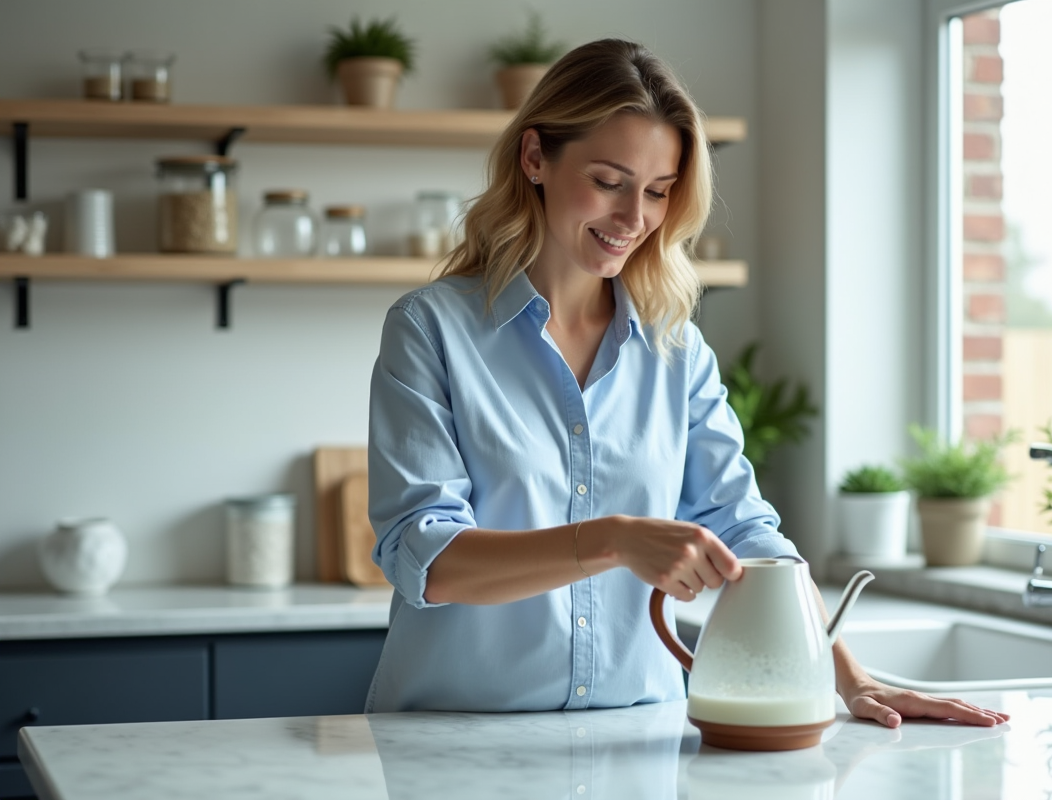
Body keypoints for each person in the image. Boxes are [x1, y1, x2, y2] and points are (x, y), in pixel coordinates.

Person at [365, 38, 1008, 729]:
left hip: (636, 739)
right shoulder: (431, 330)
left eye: (657, 192)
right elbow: (427, 558)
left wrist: (848, 679)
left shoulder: (676, 350)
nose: (633, 218)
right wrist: (612, 540)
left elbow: (745, 530)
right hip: (455, 744)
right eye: (608, 181)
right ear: (534, 158)